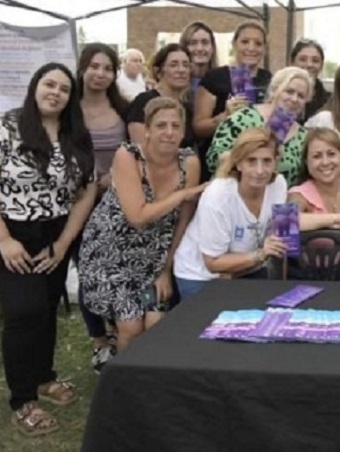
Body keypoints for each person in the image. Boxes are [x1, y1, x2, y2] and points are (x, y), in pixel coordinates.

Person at [0, 63, 97, 436]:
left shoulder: (76, 133)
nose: (55, 92)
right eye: (49, 84)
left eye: (63, 88)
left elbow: (87, 188)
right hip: (12, 232)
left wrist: (63, 243)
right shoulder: (8, 127)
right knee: (23, 312)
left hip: (56, 234)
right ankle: (23, 400)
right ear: (35, 86)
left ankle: (43, 377)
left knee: (45, 310)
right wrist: (5, 241)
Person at [80, 97, 204, 352]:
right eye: (161, 125)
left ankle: (144, 376)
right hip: (110, 255)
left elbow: (183, 220)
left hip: (152, 260)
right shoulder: (128, 155)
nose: (168, 132)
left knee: (155, 321)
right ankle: (122, 381)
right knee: (131, 326)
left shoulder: (189, 162)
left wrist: (165, 269)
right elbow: (137, 216)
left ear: (183, 132)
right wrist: (181, 195)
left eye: (175, 126)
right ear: (147, 130)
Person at [173, 128, 287, 299]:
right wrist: (261, 254)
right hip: (201, 275)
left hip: (248, 268)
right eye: (251, 161)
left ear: (275, 162)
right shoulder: (218, 195)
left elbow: (281, 235)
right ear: (238, 163)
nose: (260, 170)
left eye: (267, 161)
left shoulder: (279, 184)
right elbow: (212, 262)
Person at [76, 43, 129, 373]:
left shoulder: (122, 107)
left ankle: (117, 331)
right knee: (87, 273)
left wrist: (115, 177)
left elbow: (133, 146)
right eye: (94, 66)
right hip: (77, 203)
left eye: (108, 68)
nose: (100, 73)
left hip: (116, 203)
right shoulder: (69, 108)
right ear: (82, 67)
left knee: (116, 269)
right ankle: (99, 340)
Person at [206, 66, 313, 186]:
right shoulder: (244, 117)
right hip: (232, 193)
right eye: (289, 91)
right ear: (275, 90)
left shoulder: (304, 136)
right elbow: (213, 158)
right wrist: (248, 156)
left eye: (301, 96)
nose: (294, 99)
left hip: (278, 200)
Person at [194, 21, 272, 181]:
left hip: (259, 167)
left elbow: (279, 126)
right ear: (234, 44)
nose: (251, 48)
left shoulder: (270, 79)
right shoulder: (215, 77)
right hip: (221, 165)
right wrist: (224, 116)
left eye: (258, 43)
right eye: (245, 42)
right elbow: (198, 127)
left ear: (264, 48)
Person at [288, 127, 340, 244]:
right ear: (306, 162)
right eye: (317, 156)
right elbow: (286, 222)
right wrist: (339, 219)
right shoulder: (299, 193)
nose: (325, 162)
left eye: (331, 154)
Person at [128, 44, 195, 149]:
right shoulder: (144, 102)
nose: (181, 70)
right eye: (174, 65)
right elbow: (140, 149)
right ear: (158, 72)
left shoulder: (187, 108)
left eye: (186, 65)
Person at [291, 39, 330, 122]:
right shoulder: (280, 95)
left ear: (322, 65)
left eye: (315, 60)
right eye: (302, 59)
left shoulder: (330, 102)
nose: (309, 64)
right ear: (292, 62)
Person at [179, 21, 218, 102]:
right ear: (184, 48)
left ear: (213, 48)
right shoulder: (175, 83)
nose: (200, 48)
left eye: (205, 42)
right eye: (193, 43)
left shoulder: (222, 81)